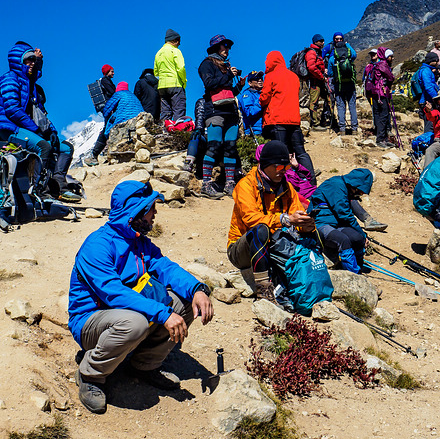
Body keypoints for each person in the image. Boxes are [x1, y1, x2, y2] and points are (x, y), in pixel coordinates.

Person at [68, 181, 214, 413]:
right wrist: (163, 314)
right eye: (150, 208)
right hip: (90, 321)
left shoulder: (139, 242)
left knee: (184, 302)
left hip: (123, 315)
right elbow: (114, 293)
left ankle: (144, 365)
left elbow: (167, 268)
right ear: (133, 210)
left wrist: (197, 289)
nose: (154, 213)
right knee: (135, 323)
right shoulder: (98, 246)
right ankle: (90, 375)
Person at [0, 42, 79, 201]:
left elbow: (40, 111)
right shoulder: (9, 79)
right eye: (28, 59)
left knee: (66, 148)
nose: (32, 63)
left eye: (33, 60)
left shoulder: (30, 84)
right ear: (18, 61)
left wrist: (51, 132)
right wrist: (36, 131)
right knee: (43, 146)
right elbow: (12, 110)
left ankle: (58, 187)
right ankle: (38, 190)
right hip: (9, 128)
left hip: (29, 127)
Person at [227, 140, 314, 295]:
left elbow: (296, 213)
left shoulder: (286, 187)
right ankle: (263, 290)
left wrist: (305, 224)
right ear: (266, 165)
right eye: (279, 167)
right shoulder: (246, 185)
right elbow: (251, 219)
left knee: (312, 234)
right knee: (260, 230)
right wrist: (285, 219)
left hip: (275, 244)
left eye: (286, 167)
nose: (284, 171)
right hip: (241, 249)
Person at [198, 35, 245, 198]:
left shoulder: (225, 66)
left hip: (230, 111)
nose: (227, 49)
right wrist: (229, 75)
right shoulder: (206, 64)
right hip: (214, 111)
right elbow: (209, 84)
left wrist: (238, 86)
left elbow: (226, 92)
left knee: (231, 147)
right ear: (216, 47)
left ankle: (230, 184)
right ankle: (206, 184)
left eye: (228, 46)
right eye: (224, 46)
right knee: (214, 146)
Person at [260, 51, 316, 185]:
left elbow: (264, 98)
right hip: (294, 120)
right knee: (300, 151)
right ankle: (311, 181)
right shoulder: (293, 76)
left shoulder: (270, 76)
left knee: (281, 152)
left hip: (277, 119)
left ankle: (284, 183)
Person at [307, 168, 374, 274]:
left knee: (358, 238)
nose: (360, 194)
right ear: (355, 185)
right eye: (361, 191)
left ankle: (357, 266)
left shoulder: (344, 187)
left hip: (337, 223)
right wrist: (364, 234)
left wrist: (362, 236)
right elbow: (345, 215)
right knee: (343, 240)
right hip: (320, 223)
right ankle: (354, 274)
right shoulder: (336, 185)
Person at [85, 82, 146, 166]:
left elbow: (107, 110)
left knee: (105, 131)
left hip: (124, 121)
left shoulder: (118, 94)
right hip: (139, 121)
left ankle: (93, 157)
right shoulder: (133, 96)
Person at [325, 33, 357, 134]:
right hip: (350, 85)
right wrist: (348, 45)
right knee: (352, 106)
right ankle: (354, 129)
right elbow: (355, 55)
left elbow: (330, 73)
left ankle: (342, 129)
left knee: (340, 106)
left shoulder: (333, 57)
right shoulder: (349, 55)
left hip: (339, 85)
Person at [364, 47, 395, 148]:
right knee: (384, 114)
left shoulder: (375, 65)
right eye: (390, 56)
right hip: (381, 93)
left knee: (377, 113)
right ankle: (381, 139)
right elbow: (391, 77)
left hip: (374, 93)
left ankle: (383, 138)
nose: (392, 58)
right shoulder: (383, 65)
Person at [155, 29, 187, 121]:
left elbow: (156, 72)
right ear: (175, 40)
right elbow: (181, 68)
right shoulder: (175, 51)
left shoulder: (158, 53)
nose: (179, 44)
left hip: (162, 86)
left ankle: (164, 132)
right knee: (179, 111)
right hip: (175, 84)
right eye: (179, 42)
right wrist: (183, 82)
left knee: (165, 112)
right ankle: (178, 131)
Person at [305, 34, 332, 130]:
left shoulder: (317, 52)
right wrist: (321, 76)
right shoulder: (312, 52)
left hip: (319, 80)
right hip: (314, 82)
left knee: (329, 98)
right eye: (321, 41)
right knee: (314, 102)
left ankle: (326, 119)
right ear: (315, 42)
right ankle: (315, 124)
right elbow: (311, 67)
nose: (323, 43)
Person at [412, 53, 440, 133]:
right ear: (432, 61)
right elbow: (428, 87)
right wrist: (437, 99)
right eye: (436, 60)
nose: (437, 62)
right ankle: (428, 142)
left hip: (427, 100)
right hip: (428, 101)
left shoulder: (426, 69)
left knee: (431, 123)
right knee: (430, 125)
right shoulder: (426, 71)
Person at [183, 97, 211, 175]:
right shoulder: (202, 101)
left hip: (217, 138)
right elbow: (200, 116)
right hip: (205, 135)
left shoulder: (222, 102)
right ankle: (188, 162)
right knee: (195, 137)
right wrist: (198, 129)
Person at [238, 71, 265, 136]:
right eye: (256, 79)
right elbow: (249, 112)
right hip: (254, 132)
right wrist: (261, 101)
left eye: (261, 78)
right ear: (250, 83)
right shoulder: (247, 94)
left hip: (266, 129)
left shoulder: (263, 93)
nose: (260, 80)